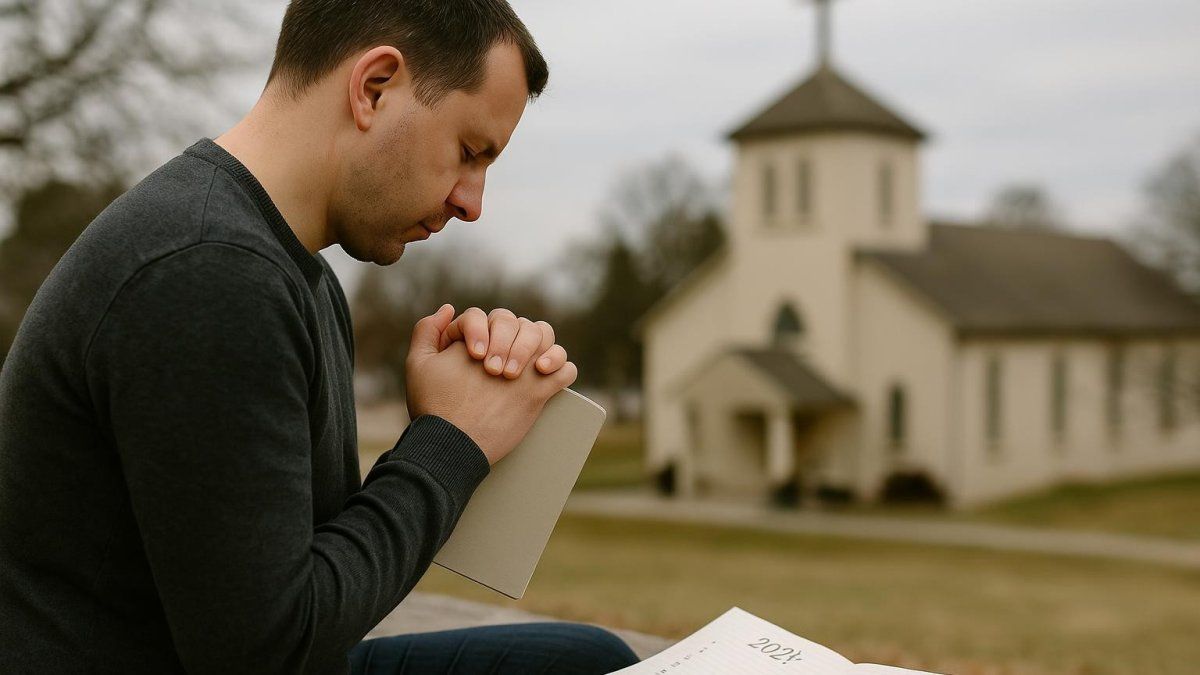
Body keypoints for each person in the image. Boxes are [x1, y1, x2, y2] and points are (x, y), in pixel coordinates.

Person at [0, 1, 640, 673]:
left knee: (583, 658)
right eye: (469, 151)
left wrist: (471, 423)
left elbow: (316, 579)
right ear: (374, 87)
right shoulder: (209, 269)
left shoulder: (295, 273)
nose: (471, 202)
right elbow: (265, 654)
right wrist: (449, 445)